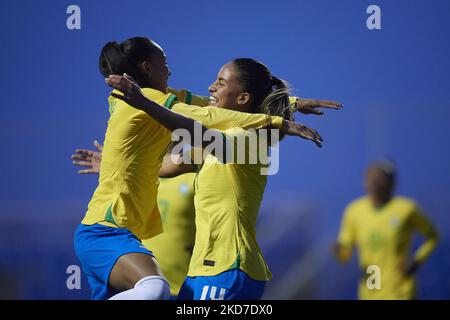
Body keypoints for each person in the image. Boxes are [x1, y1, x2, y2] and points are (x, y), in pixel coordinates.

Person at [74, 36, 322, 300]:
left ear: (243, 98)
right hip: (202, 271)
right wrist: (113, 164)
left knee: (153, 290)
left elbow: (201, 128)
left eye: (221, 83)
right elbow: (167, 164)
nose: (211, 87)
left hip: (227, 268)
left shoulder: (249, 139)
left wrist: (277, 120)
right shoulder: (210, 141)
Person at [333, 161, 439, 299]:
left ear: (391, 183)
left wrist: (416, 261)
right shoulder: (354, 211)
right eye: (370, 177)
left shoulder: (406, 209)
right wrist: (338, 250)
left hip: (400, 291)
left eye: (380, 177)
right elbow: (344, 254)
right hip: (371, 291)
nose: (374, 182)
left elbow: (433, 236)